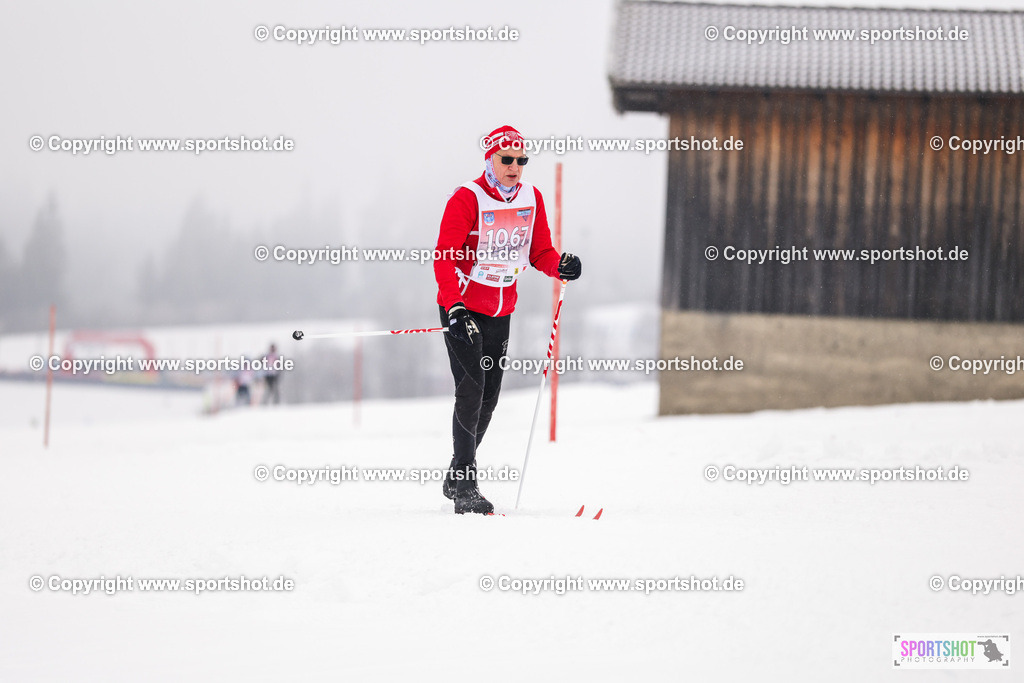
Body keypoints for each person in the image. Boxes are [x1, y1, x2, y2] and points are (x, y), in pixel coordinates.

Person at [433, 125, 582, 514]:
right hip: (463, 308)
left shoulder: (531, 197)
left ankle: (455, 473)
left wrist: (560, 266)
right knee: (471, 391)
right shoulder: (468, 198)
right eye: (507, 160)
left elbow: (540, 252)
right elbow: (444, 256)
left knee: (489, 399)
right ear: (490, 160)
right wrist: (454, 307)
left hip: (502, 309)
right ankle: (465, 484)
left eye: (521, 160)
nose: (515, 167)